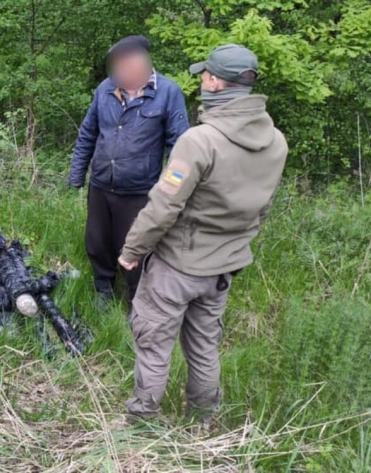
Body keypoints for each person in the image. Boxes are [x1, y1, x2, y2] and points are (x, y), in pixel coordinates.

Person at [118, 44, 287, 425]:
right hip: (223, 269)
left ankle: (140, 422)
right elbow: (263, 207)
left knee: (153, 343)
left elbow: (164, 205)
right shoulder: (276, 142)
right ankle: (203, 420)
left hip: (177, 266)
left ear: (214, 82)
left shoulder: (200, 140)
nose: (201, 82)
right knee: (204, 346)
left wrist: (132, 251)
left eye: (204, 76)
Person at [69, 35, 189, 305]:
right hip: (101, 184)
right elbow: (88, 132)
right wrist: (77, 175)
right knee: (97, 241)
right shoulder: (105, 89)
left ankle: (137, 297)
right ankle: (103, 288)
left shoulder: (168, 93)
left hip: (139, 191)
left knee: (135, 244)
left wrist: (169, 191)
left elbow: (181, 150)